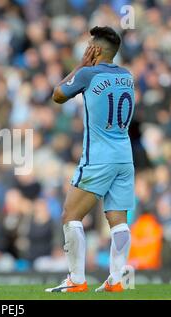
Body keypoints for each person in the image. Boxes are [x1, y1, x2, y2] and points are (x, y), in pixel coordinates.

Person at [45, 26, 135, 293]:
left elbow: (57, 95)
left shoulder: (87, 72)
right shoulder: (127, 75)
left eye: (88, 46)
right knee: (118, 220)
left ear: (94, 50)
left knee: (70, 215)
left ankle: (77, 279)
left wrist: (80, 65)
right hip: (124, 156)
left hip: (98, 156)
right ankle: (116, 280)